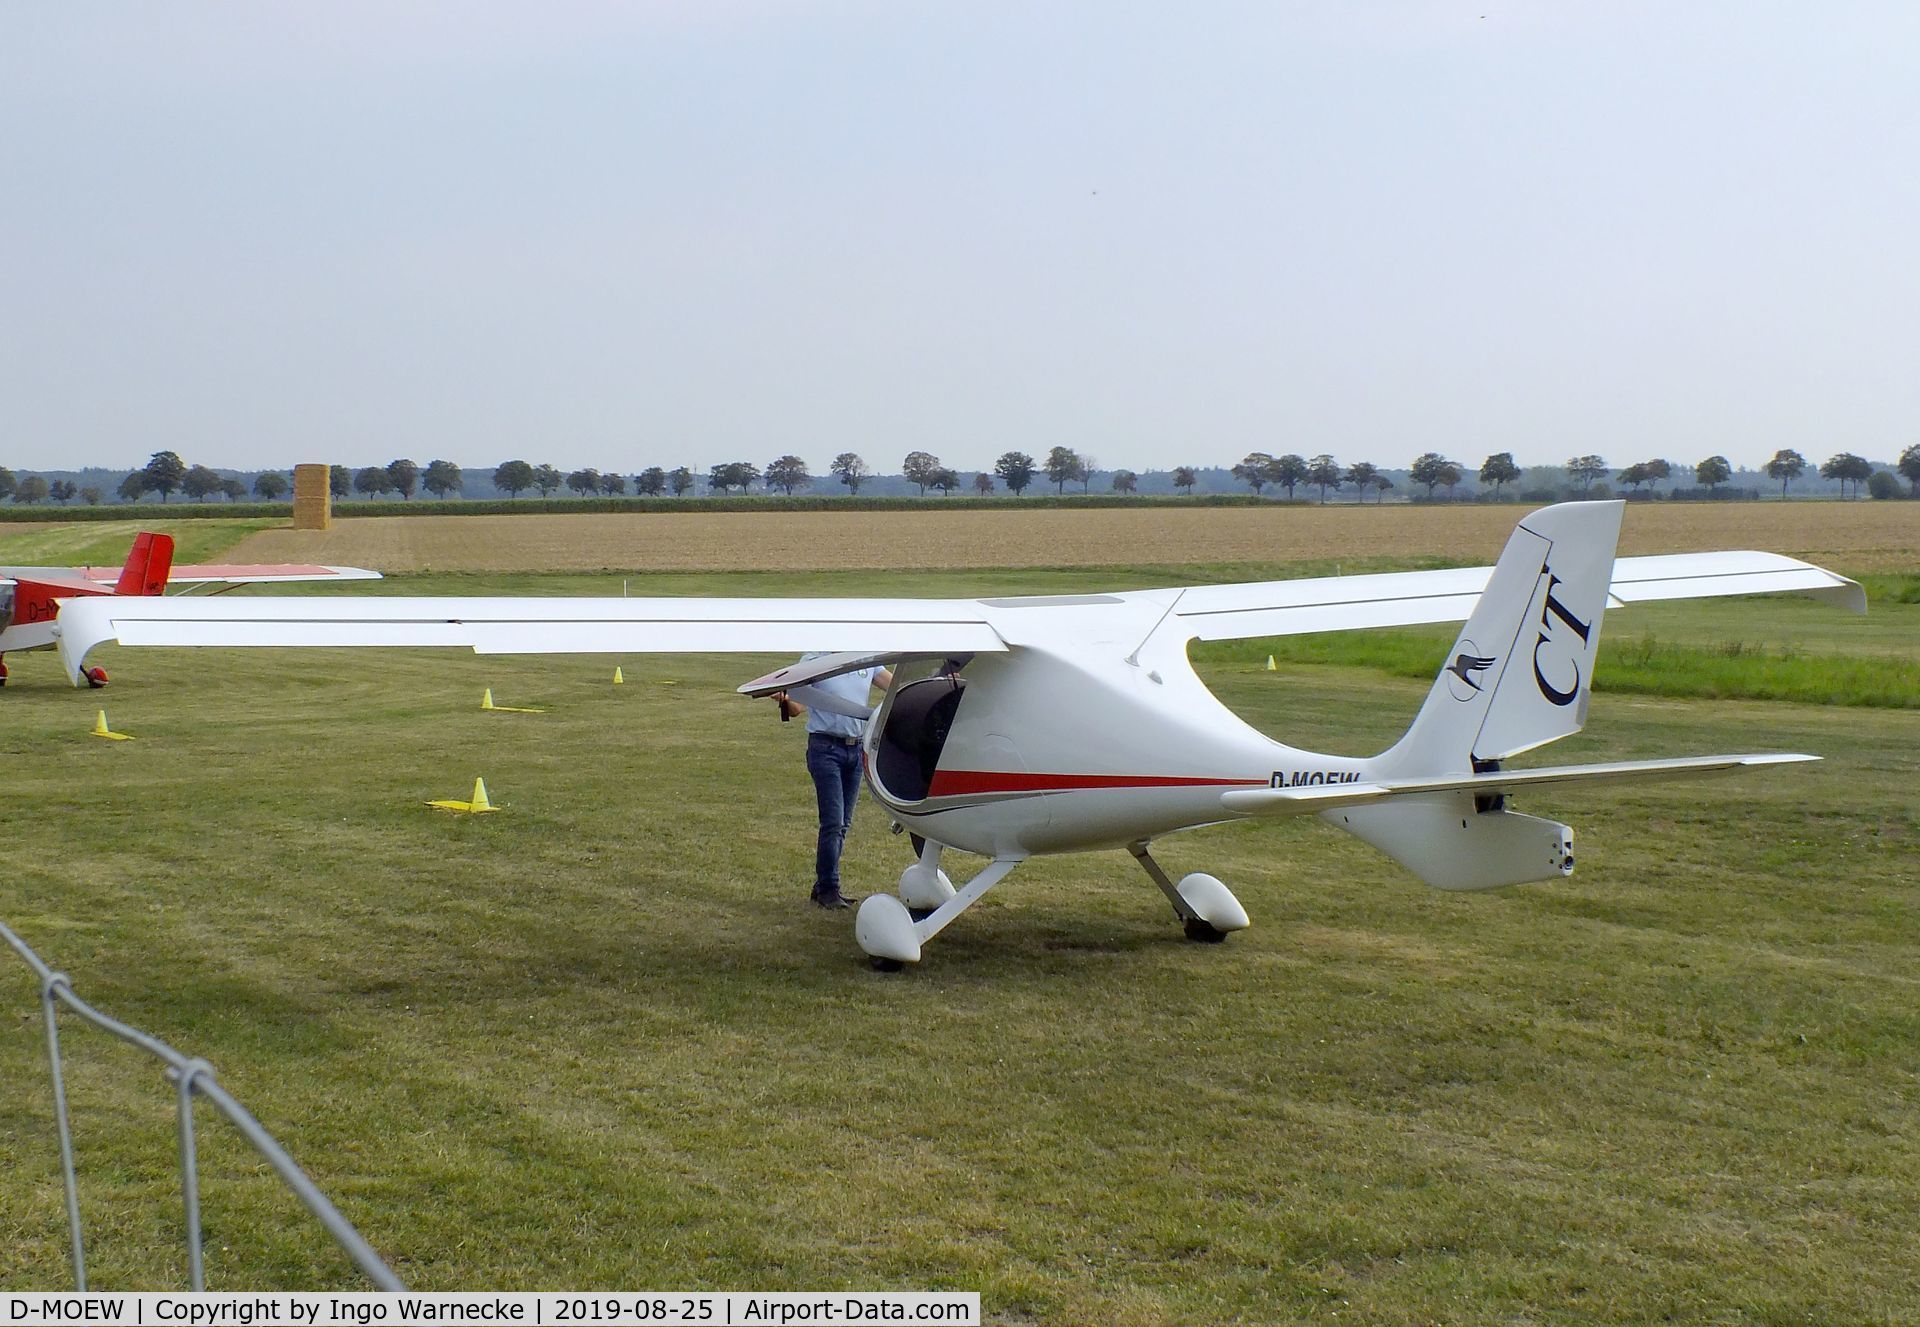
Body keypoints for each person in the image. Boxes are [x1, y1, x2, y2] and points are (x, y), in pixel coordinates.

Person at [772, 662, 893, 908]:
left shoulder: (865, 659)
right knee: (834, 822)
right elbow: (797, 708)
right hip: (825, 749)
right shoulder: (815, 660)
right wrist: (783, 697)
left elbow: (896, 688)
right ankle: (829, 888)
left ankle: (823, 885)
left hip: (856, 748)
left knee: (843, 824)